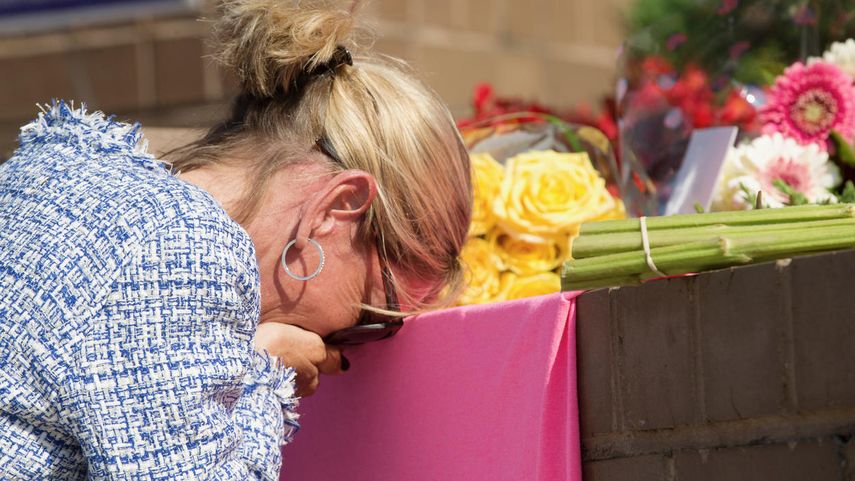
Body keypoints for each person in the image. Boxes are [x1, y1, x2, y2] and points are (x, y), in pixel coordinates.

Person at [0, 0, 472, 479]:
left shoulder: (62, 173)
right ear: (338, 207)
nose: (336, 346)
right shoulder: (181, 250)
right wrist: (264, 375)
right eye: (372, 319)